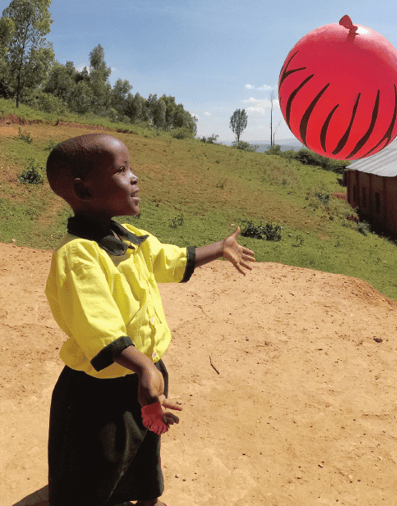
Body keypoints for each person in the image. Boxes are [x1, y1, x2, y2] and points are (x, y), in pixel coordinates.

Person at [44, 133, 256, 506]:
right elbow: (98, 326)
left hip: (145, 372)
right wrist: (142, 364)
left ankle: (146, 497)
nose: (135, 178)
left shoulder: (131, 238)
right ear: (83, 189)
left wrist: (220, 248)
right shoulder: (77, 257)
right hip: (100, 391)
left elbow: (169, 260)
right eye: (122, 170)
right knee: (95, 462)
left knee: (145, 443)